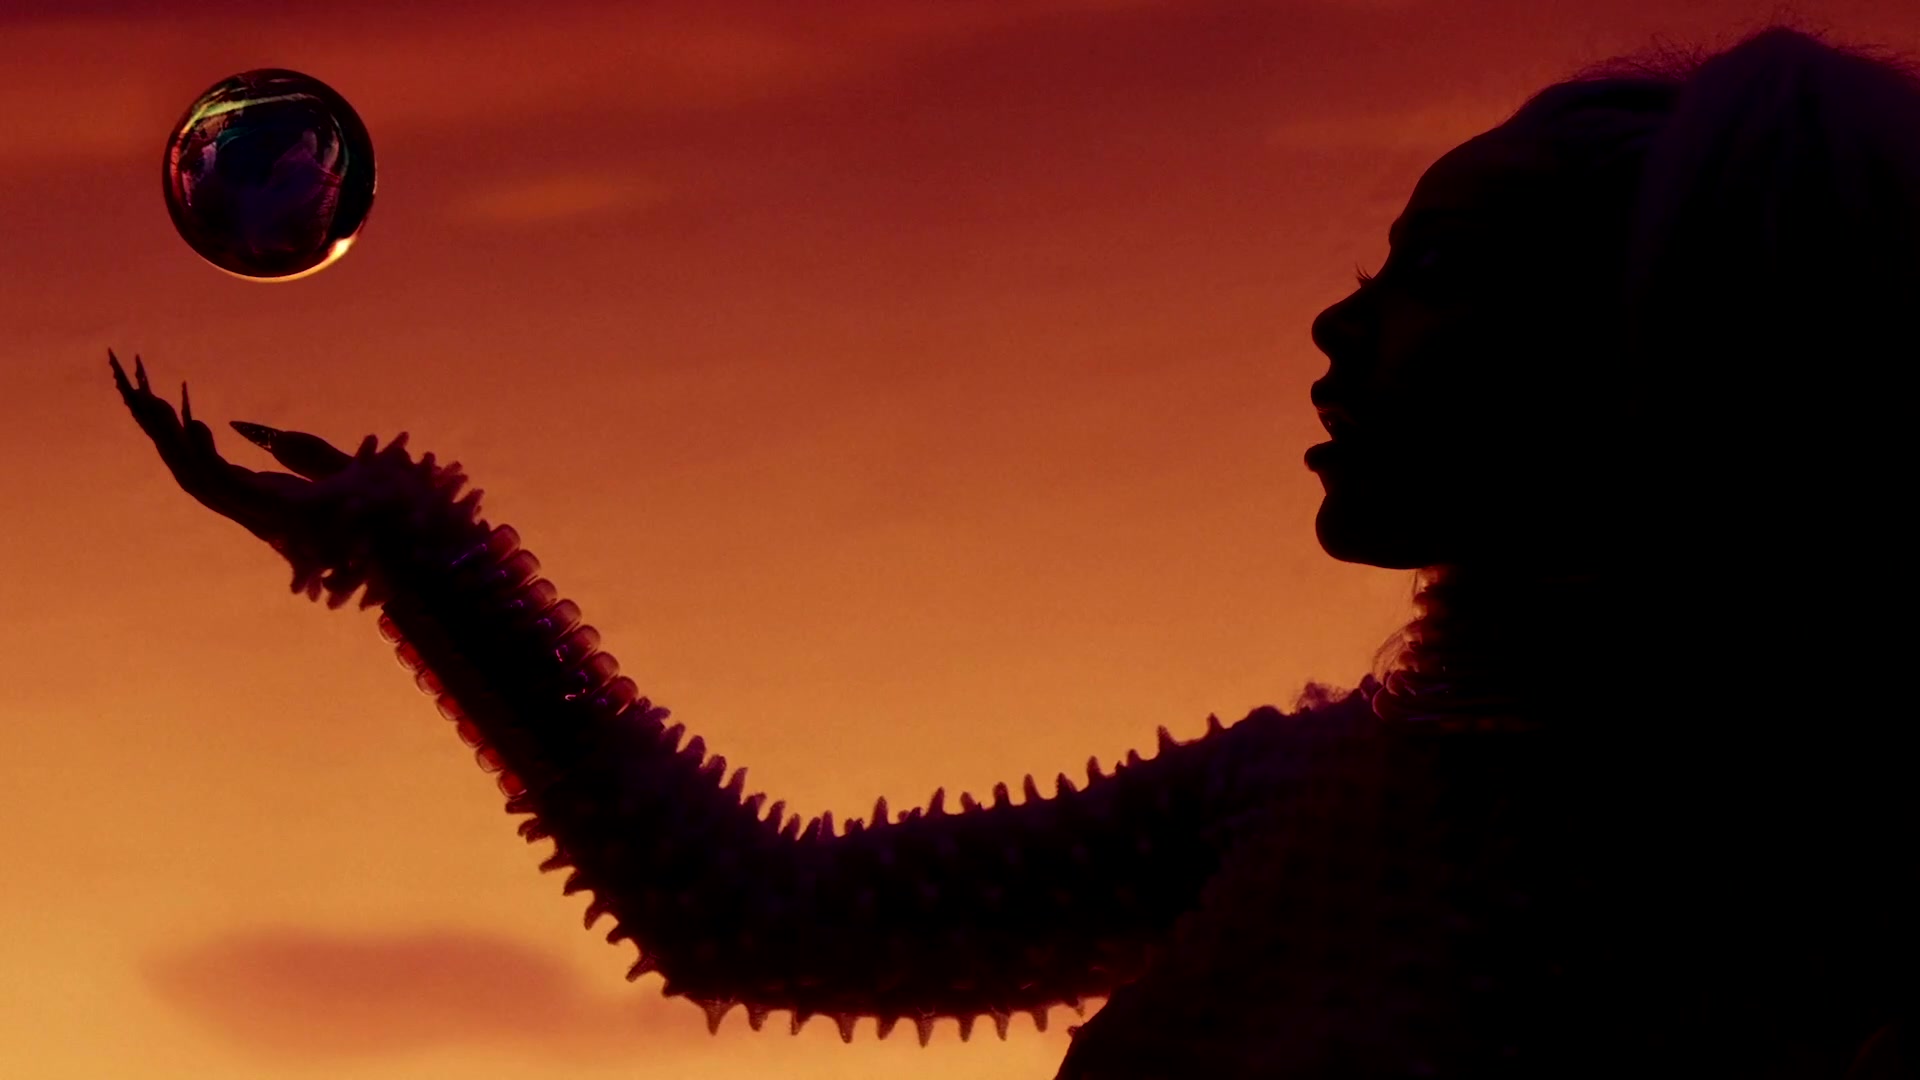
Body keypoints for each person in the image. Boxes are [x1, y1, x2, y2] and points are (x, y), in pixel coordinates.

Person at [113, 21, 1917, 1079]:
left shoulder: (1816, 892)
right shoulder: (1300, 795)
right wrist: (407, 538)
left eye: (1435, 275)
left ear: (1668, 355)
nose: (1338, 326)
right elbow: (753, 910)